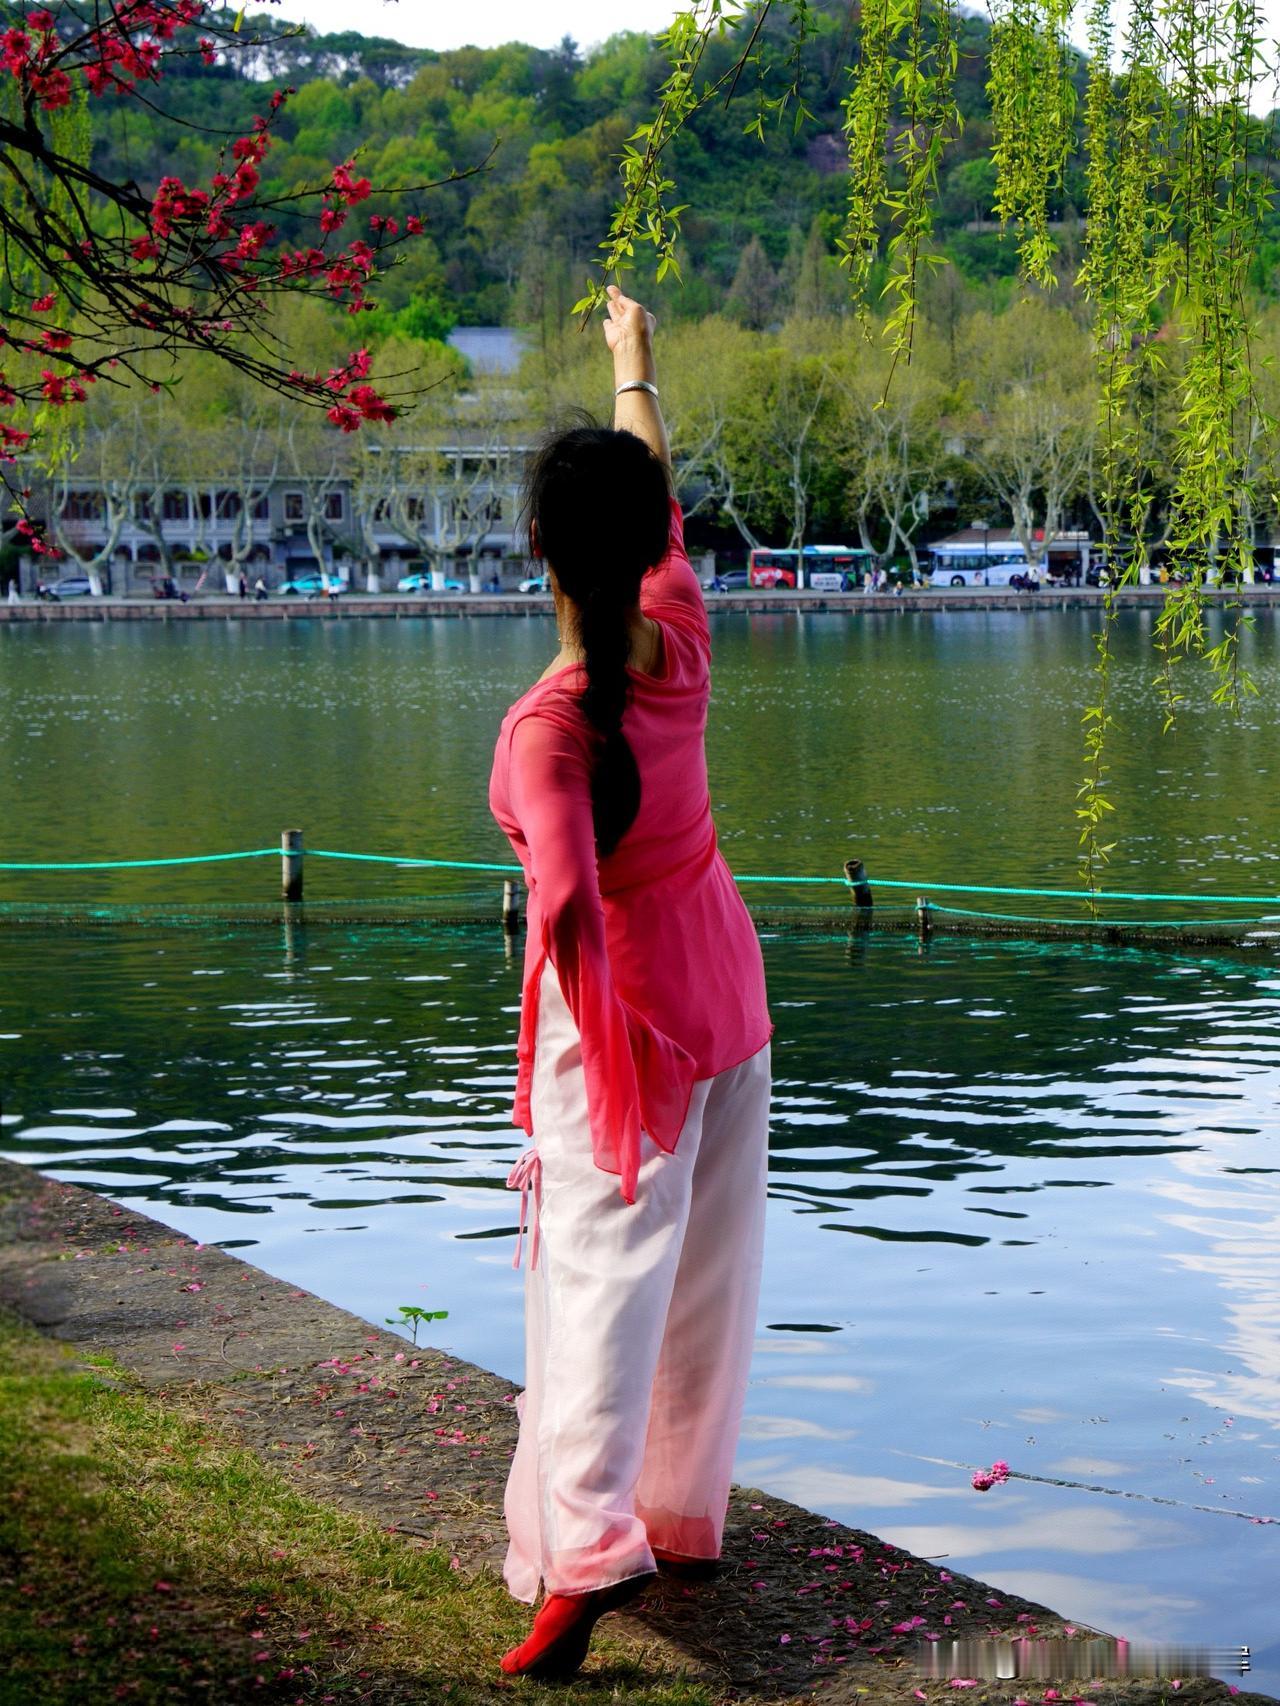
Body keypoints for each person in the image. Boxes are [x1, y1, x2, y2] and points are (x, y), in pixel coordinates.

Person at [489, 284, 773, 1683]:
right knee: (708, 1273)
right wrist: (636, 359)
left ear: (539, 547)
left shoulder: (548, 728)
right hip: (726, 990)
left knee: (596, 1285)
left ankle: (592, 1550)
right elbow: (649, 489)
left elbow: (560, 900)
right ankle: (683, 1513)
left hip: (625, 1025)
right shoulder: (684, 624)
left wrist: (591, 1049)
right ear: (651, 543)